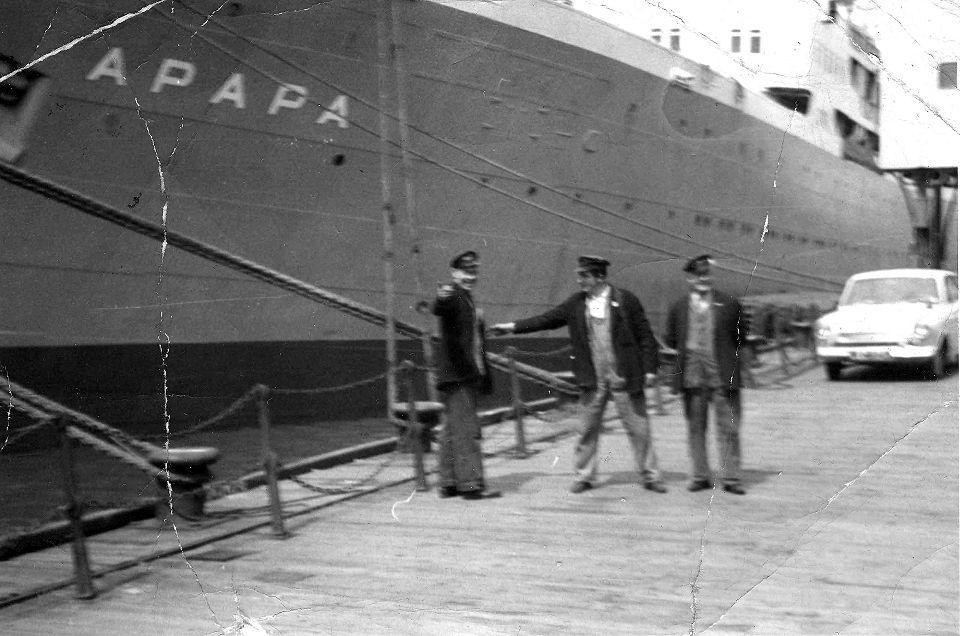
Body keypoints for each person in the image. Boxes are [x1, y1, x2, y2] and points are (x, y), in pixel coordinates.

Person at [490, 255, 666, 494]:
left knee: (638, 427)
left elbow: (645, 336)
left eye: (584, 275)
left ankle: (651, 475)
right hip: (592, 378)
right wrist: (511, 327)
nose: (579, 280)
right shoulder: (577, 303)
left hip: (623, 375)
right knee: (587, 428)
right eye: (579, 275)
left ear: (600, 277)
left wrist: (649, 370)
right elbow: (547, 320)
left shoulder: (625, 300)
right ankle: (584, 477)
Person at [664, 255, 747, 495]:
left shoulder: (730, 304)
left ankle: (731, 478)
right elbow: (672, 339)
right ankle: (700, 475)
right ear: (689, 278)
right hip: (691, 376)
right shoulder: (678, 307)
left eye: (707, 274)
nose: (703, 279)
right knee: (695, 428)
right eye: (698, 275)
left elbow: (740, 338)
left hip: (721, 375)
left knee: (728, 428)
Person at [432, 250, 500, 500]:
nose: (470, 277)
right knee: (467, 430)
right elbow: (440, 306)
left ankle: (449, 482)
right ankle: (470, 484)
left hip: (455, 374)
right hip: (460, 374)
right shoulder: (453, 295)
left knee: (451, 429)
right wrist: (440, 297)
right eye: (465, 272)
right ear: (454, 273)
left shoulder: (467, 298)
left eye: (474, 272)